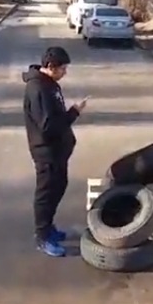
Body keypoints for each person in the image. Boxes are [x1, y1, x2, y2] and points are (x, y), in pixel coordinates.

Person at [22, 46, 88, 257]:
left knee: (59, 186)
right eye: (62, 68)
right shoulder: (38, 89)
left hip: (58, 151)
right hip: (46, 152)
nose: (64, 72)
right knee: (46, 193)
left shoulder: (49, 84)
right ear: (50, 67)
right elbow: (48, 126)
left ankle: (49, 227)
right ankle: (42, 236)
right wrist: (74, 113)